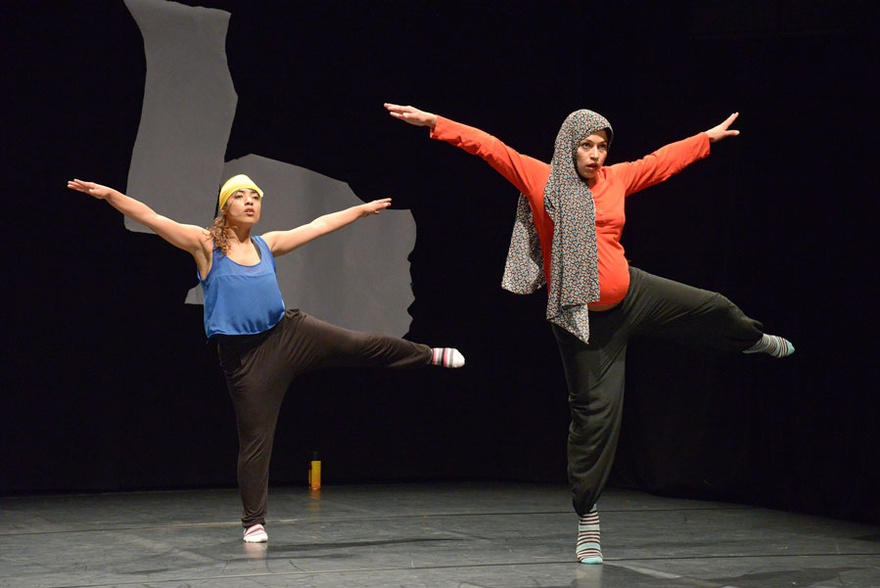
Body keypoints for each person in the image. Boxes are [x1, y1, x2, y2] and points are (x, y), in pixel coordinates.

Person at [384, 103, 793, 564]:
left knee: (713, 307)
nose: (596, 155)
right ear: (568, 146)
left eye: (602, 146)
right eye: (587, 145)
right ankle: (588, 519)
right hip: (582, 323)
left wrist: (705, 140)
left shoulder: (615, 179)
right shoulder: (542, 179)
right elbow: (489, 147)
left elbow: (658, 163)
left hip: (633, 295)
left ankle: (753, 341)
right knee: (595, 420)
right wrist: (435, 123)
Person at [67, 175, 465, 543]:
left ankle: (429, 355)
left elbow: (317, 226)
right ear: (225, 207)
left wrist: (359, 211)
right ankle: (253, 521)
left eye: (255, 196)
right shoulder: (204, 244)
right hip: (245, 358)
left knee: (357, 343)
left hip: (287, 333)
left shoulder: (265, 244)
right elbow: (152, 217)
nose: (249, 201)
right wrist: (110, 196)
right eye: (240, 196)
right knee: (256, 440)